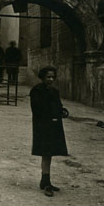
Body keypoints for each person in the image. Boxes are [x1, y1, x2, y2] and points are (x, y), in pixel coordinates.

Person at [30, 66, 68, 197]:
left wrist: (62, 111)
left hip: (54, 125)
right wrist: (50, 116)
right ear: (42, 77)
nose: (51, 79)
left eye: (53, 77)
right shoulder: (37, 91)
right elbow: (37, 109)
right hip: (43, 126)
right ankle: (46, 183)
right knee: (45, 153)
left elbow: (58, 105)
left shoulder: (54, 91)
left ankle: (45, 180)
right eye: (48, 77)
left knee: (49, 153)